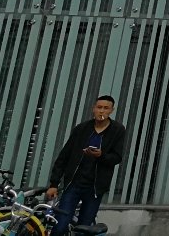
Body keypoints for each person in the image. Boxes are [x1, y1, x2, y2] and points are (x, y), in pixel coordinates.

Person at [46, 95, 126, 236]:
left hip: (95, 187)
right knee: (60, 224)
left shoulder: (117, 130)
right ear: (93, 109)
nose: (102, 111)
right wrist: (54, 183)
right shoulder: (81, 129)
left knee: (84, 227)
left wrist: (101, 155)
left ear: (111, 110)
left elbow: (117, 157)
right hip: (74, 183)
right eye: (99, 107)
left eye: (106, 108)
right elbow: (64, 156)